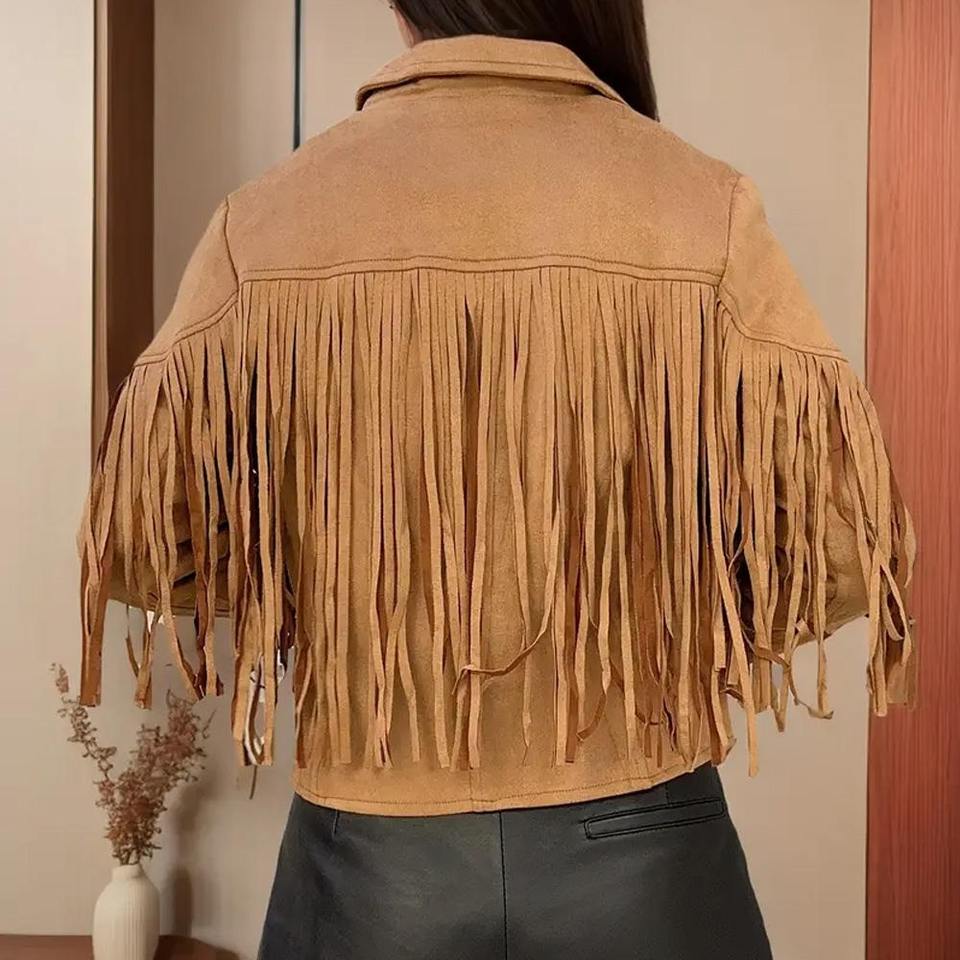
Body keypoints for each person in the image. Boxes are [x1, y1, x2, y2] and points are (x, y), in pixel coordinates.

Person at [76, 2, 916, 957]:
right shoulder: (700, 205)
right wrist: (668, 603)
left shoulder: (266, 222)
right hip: (644, 845)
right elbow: (845, 545)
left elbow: (138, 543)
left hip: (371, 861)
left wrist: (313, 567)